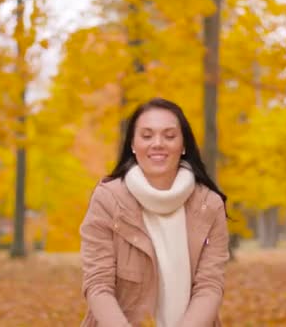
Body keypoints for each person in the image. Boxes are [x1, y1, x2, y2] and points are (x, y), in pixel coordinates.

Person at [79, 98, 230, 327]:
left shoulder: (209, 204)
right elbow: (98, 284)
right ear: (132, 144)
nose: (158, 144)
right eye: (147, 136)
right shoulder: (107, 200)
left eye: (169, 136)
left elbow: (210, 286)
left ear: (184, 145)